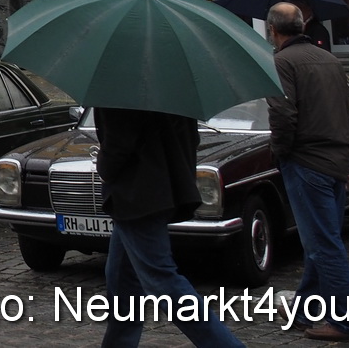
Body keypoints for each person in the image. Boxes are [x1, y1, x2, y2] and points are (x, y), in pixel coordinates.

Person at [95, 106, 244, 348]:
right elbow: (191, 138)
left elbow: (119, 142)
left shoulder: (120, 85)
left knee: (161, 279)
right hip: (158, 191)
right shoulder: (168, 83)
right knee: (121, 279)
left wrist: (103, 167)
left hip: (136, 195)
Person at [267, 2, 349, 342]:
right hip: (335, 160)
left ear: (273, 31)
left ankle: (347, 322)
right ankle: (307, 309)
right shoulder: (330, 59)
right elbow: (347, 114)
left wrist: (280, 152)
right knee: (319, 241)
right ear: (303, 26)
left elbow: (282, 114)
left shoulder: (281, 62)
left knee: (324, 245)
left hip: (307, 161)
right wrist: (348, 158)